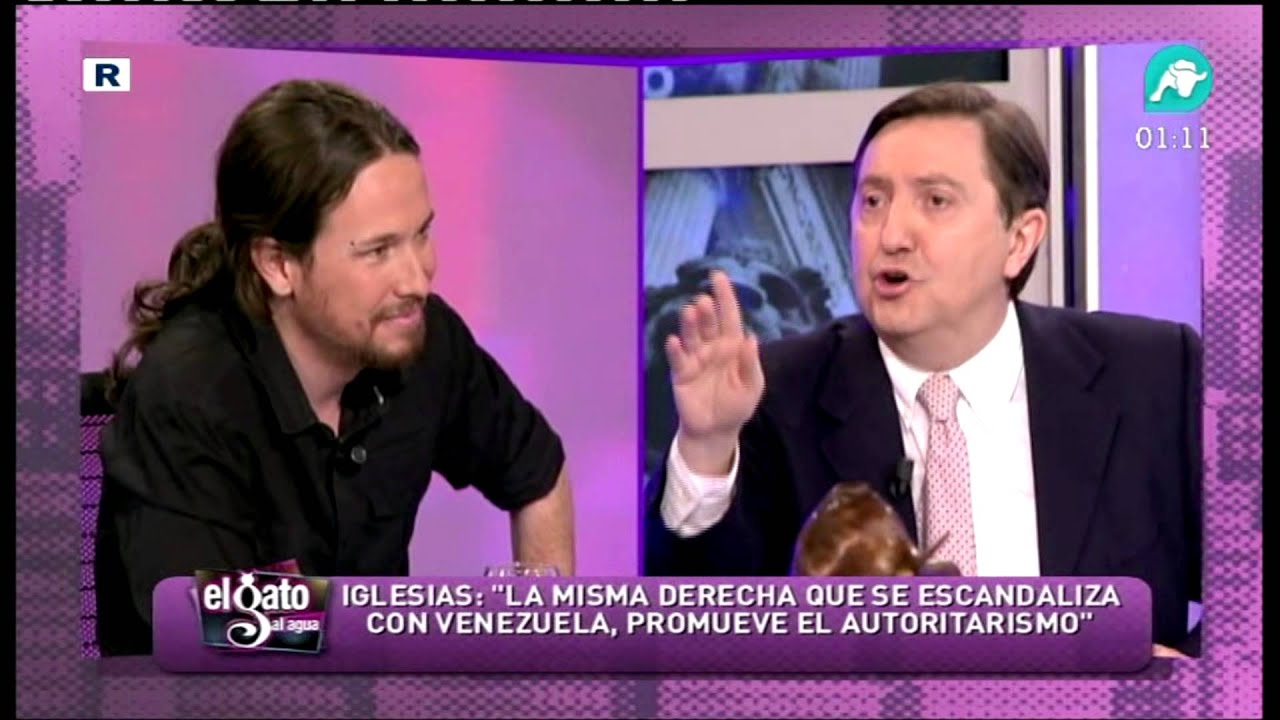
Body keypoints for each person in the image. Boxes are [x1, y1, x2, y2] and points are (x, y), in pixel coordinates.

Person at [644, 82, 1202, 656]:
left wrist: (1191, 683)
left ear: (1019, 238)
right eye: (873, 201)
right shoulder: (776, 394)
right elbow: (694, 627)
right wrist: (706, 447)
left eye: (935, 201)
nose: (892, 235)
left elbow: (1246, 585)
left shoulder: (1152, 376)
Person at [94, 79, 575, 656]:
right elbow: (220, 630)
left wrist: (544, 651)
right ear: (278, 265)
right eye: (377, 251)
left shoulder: (421, 336)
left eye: (421, 234)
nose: (417, 279)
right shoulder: (187, 394)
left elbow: (538, 476)